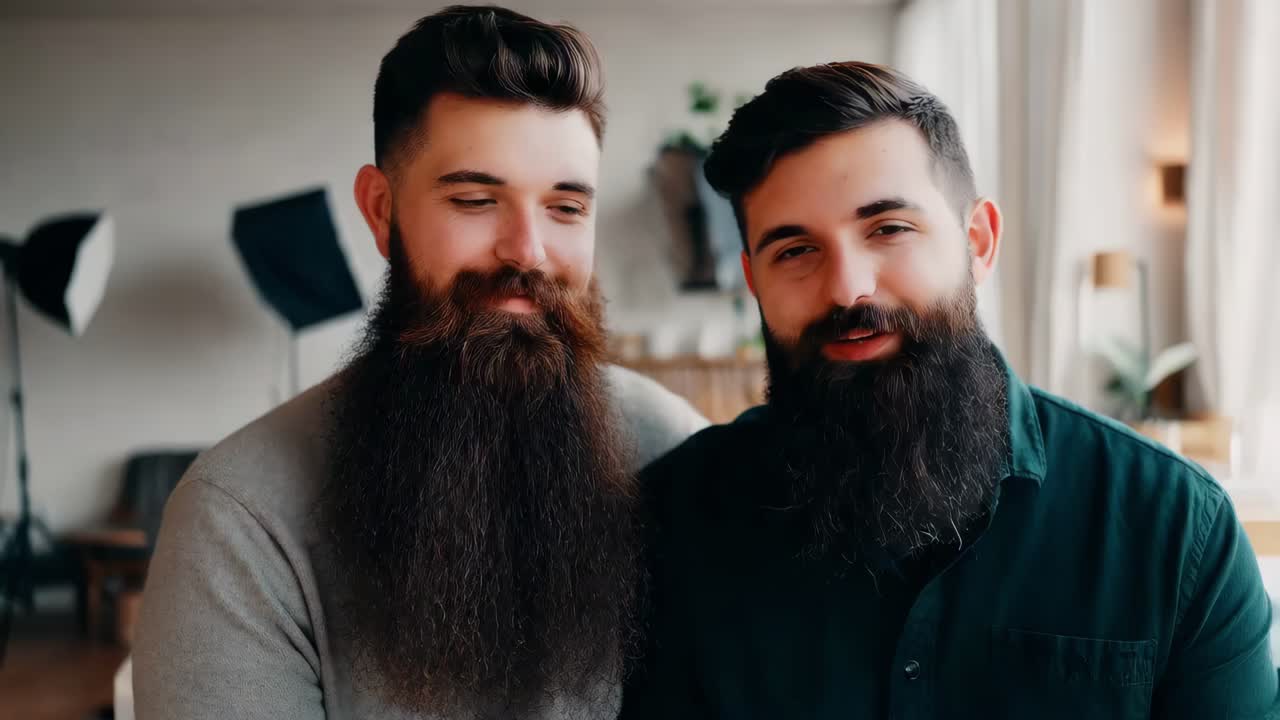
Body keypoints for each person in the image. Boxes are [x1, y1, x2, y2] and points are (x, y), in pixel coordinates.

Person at [621, 61, 1276, 719]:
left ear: (978, 242)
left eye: (888, 229)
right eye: (795, 250)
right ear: (754, 280)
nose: (848, 288)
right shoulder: (670, 523)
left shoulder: (1175, 530)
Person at [133, 7, 706, 719]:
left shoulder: (671, 448)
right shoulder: (239, 523)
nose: (528, 251)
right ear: (382, 211)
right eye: (475, 199)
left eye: (565, 208)